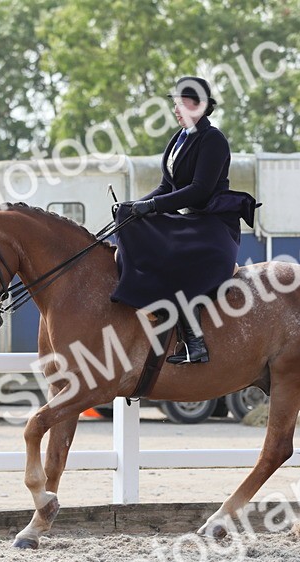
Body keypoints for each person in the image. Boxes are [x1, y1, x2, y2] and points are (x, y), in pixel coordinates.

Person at [110, 76, 258, 365]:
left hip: (212, 226)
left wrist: (153, 206)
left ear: (199, 105)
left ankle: (195, 342)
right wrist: (134, 206)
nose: (175, 109)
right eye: (175, 104)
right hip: (188, 222)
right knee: (134, 227)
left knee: (174, 256)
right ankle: (157, 305)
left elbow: (199, 190)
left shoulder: (213, 139)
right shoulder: (178, 139)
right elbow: (166, 187)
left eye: (181, 103)